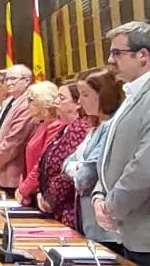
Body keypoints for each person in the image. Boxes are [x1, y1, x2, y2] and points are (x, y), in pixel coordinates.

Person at [91, 22, 150, 265]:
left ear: (142, 55)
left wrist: (110, 207)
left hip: (146, 229)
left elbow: (148, 166)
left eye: (116, 53)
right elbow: (109, 155)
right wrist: (99, 194)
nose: (110, 60)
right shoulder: (132, 93)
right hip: (127, 226)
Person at [66, 68, 126, 246]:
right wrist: (76, 166)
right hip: (88, 222)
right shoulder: (95, 127)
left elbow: (85, 177)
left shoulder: (112, 126)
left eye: (85, 94)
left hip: (107, 228)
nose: (79, 101)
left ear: (103, 95)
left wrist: (76, 167)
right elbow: (66, 164)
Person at [28, 80, 99, 229]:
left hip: (71, 210)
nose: (56, 102)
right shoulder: (67, 128)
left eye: (61, 98)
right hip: (57, 207)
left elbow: (68, 173)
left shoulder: (80, 128)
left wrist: (49, 199)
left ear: (76, 104)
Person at [11, 81, 68, 212]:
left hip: (42, 194)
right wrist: (22, 187)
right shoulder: (42, 125)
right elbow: (28, 162)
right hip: (31, 191)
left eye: (30, 100)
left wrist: (24, 189)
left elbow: (42, 163)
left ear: (42, 102)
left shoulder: (56, 126)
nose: (27, 105)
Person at [0, 65, 38, 192]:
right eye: (7, 79)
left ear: (27, 81)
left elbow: (13, 142)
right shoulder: (13, 102)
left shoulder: (26, 104)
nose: (8, 83)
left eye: (13, 79)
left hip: (14, 174)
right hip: (4, 173)